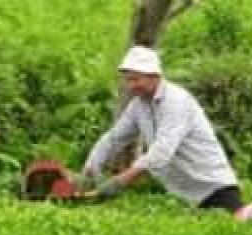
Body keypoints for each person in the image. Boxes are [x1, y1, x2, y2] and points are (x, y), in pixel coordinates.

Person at [82, 46, 242, 212]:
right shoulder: (139, 105)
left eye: (136, 80)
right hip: (184, 195)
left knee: (237, 227)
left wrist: (118, 182)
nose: (131, 86)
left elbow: (161, 151)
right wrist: (90, 170)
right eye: (128, 80)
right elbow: (114, 139)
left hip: (213, 186)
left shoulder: (176, 101)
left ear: (154, 76)